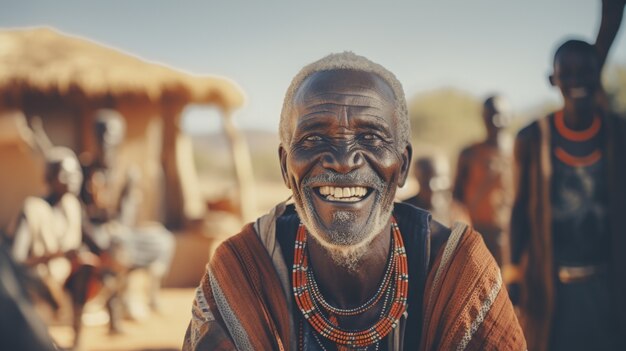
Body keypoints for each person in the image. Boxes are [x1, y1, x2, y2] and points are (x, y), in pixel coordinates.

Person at [183, 52, 524, 351]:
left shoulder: (458, 271)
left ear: (402, 165)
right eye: (314, 137)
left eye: (371, 137)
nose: (344, 160)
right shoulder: (243, 271)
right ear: (285, 167)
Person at [509, 4, 626, 348]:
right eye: (567, 73)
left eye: (585, 72)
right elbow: (519, 207)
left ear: (598, 75)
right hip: (551, 286)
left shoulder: (618, 133)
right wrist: (513, 270)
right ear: (552, 79)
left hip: (611, 284)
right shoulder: (532, 138)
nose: (577, 81)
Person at [80, 109, 175, 332]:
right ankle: (115, 311)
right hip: (91, 234)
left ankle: (151, 297)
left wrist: (116, 231)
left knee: (163, 240)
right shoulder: (84, 170)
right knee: (115, 249)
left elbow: (126, 216)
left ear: (120, 138)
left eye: (111, 135)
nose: (105, 141)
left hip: (120, 233)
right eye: (100, 135)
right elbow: (79, 215)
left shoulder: (128, 172)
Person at [9, 146, 98, 349]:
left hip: (61, 278)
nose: (73, 177)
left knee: (86, 266)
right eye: (65, 173)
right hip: (34, 278)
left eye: (75, 171)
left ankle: (76, 341)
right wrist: (56, 255)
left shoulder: (72, 206)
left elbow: (87, 243)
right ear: (49, 177)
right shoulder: (32, 209)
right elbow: (16, 262)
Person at [453, 95, 513, 267]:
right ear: (483, 117)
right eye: (490, 115)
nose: (496, 121)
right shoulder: (469, 154)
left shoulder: (520, 152)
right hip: (477, 232)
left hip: (511, 235)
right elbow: (456, 195)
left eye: (501, 115)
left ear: (510, 117)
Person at [404, 154, 471, 226]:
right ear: (417, 177)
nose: (431, 186)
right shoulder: (406, 211)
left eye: (436, 179)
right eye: (425, 181)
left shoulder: (456, 212)